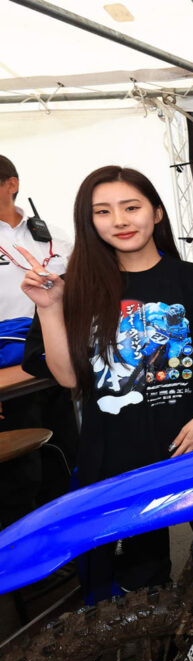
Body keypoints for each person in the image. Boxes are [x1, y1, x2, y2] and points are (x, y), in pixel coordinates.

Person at [20, 166, 193, 598]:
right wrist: (49, 308)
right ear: (89, 222)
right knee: (139, 584)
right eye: (103, 211)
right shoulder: (73, 288)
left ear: (156, 213)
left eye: (131, 207)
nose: (119, 221)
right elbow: (69, 377)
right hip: (116, 457)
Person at [0, 154, 76, 527]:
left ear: (11, 184)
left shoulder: (55, 237)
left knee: (65, 459)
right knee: (18, 478)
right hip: (8, 378)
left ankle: (72, 547)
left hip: (55, 367)